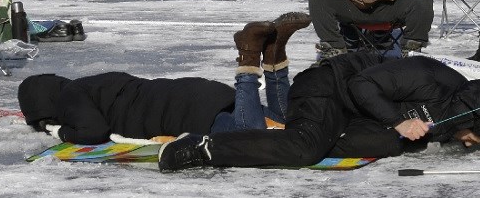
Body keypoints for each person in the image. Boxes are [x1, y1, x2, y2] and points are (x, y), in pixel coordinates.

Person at [156, 43, 480, 172]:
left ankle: (275, 133)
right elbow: (361, 84)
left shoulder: (453, 114)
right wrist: (398, 121)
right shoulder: (432, 78)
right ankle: (203, 149)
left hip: (352, 113)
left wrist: (395, 131)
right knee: (305, 149)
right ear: (475, 111)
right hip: (328, 87)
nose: (472, 143)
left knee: (386, 145)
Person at [18, 13, 313, 143]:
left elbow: (93, 131)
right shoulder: (93, 84)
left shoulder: (72, 98)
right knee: (284, 121)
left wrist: (59, 132)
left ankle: (249, 55)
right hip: (197, 92)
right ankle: (275, 55)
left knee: (251, 136)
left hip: (188, 114)